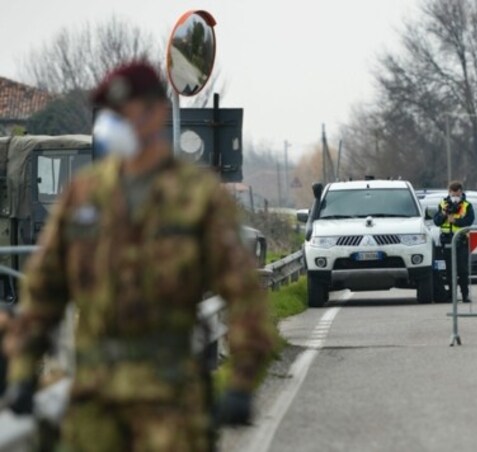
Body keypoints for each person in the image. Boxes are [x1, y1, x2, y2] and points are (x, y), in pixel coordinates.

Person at [2, 62, 277, 452]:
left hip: (170, 398)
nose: (115, 123)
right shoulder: (84, 196)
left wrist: (242, 380)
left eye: (124, 111)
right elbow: (44, 290)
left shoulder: (196, 197)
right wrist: (23, 371)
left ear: (155, 114)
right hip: (95, 399)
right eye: (111, 115)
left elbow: (243, 292)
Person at [433, 181, 475, 303]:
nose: (455, 196)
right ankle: (452, 294)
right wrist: (444, 214)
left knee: (462, 270)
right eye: (453, 194)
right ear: (449, 192)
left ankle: (465, 294)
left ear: (461, 192)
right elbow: (436, 221)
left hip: (461, 240)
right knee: (450, 270)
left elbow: (469, 220)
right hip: (447, 240)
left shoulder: (467, 205)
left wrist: (455, 222)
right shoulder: (443, 204)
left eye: (457, 194)